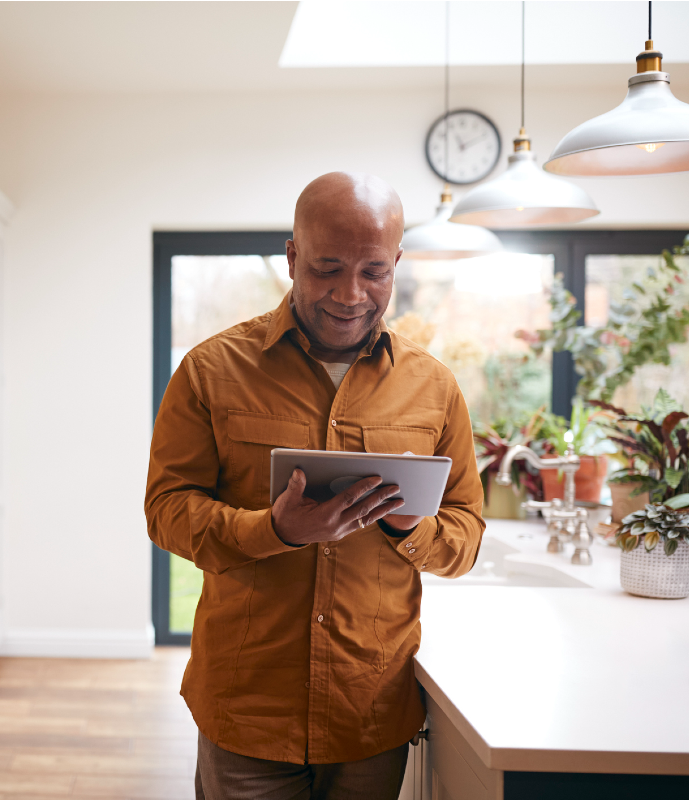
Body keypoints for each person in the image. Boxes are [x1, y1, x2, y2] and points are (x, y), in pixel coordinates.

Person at [145, 172, 485, 800]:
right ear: (293, 256)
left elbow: (465, 538)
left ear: (396, 265)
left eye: (373, 272)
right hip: (247, 709)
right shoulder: (209, 371)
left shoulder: (434, 388)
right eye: (327, 268)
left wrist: (412, 526)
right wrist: (274, 530)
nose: (350, 294)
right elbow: (166, 511)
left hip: (370, 712)